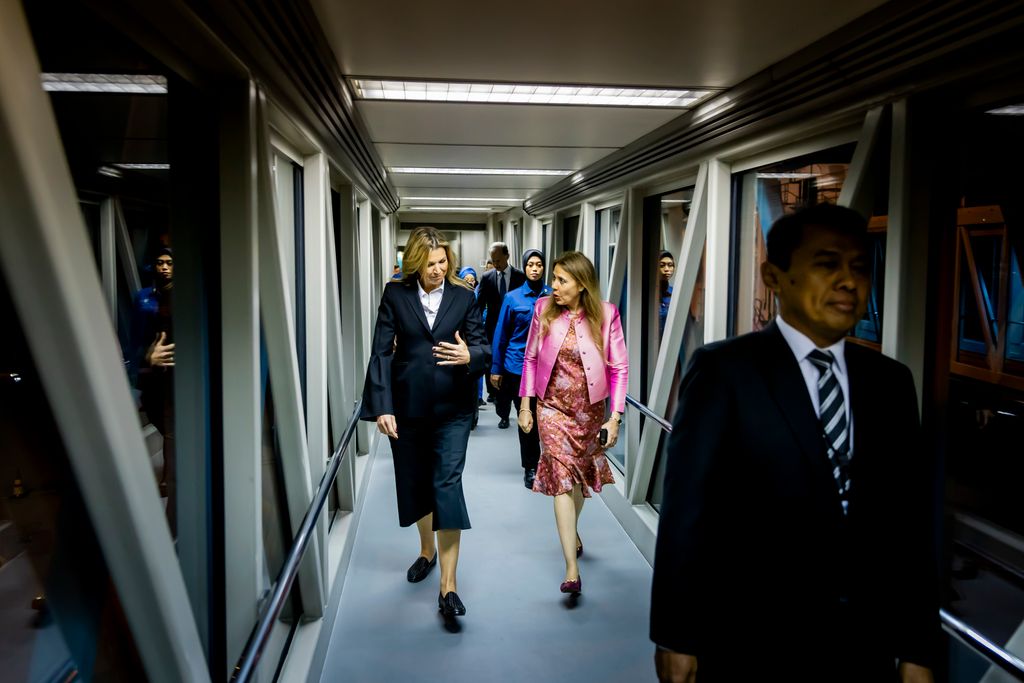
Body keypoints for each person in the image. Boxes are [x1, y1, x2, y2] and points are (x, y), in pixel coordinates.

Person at [650, 204, 938, 683]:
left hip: (864, 649)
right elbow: (687, 511)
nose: (848, 282)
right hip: (752, 642)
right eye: (827, 264)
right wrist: (676, 635)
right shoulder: (725, 372)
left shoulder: (890, 383)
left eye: (859, 267)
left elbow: (911, 523)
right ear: (774, 277)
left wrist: (918, 647)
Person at [360, 227, 490, 621]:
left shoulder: (464, 297)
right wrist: (382, 406)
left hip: (454, 408)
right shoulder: (395, 295)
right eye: (430, 263)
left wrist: (471, 356)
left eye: (442, 262)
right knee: (417, 483)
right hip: (408, 407)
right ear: (416, 263)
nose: (438, 269)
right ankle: (426, 550)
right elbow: (381, 353)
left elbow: (482, 346)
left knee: (446, 484)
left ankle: (448, 587)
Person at [519, 251, 628, 595]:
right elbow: (530, 358)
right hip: (551, 408)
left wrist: (615, 417)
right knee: (562, 481)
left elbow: (619, 368)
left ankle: (572, 530)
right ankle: (571, 568)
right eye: (553, 278)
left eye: (561, 280)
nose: (553, 285)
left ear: (581, 284)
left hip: (589, 411)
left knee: (579, 481)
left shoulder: (606, 314)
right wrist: (525, 405)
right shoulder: (543, 309)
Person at [490, 249, 552, 488]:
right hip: (518, 367)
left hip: (547, 368)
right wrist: (496, 368)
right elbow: (501, 335)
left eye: (539, 265)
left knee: (546, 419)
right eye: (530, 265)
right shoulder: (513, 298)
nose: (535, 269)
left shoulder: (553, 296)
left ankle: (549, 461)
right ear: (524, 268)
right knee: (527, 417)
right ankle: (531, 467)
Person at [131, 247, 176, 535]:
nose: (164, 267)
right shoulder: (144, 298)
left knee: (173, 433)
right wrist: (145, 358)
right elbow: (135, 337)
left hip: (178, 376)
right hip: (153, 376)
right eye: (159, 263)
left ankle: (170, 481)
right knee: (161, 422)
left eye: (169, 263)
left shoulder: (184, 298)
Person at [477, 242, 525, 424]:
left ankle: (518, 409)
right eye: (493, 260)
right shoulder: (487, 277)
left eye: (498, 260)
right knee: (496, 371)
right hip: (493, 332)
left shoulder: (520, 277)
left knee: (513, 373)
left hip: (516, 332)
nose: (495, 264)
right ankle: (503, 414)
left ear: (507, 256)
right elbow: (479, 305)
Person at [658, 251, 674, 338]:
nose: (667, 269)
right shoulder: (650, 294)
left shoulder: (674, 292)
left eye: (670, 265)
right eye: (662, 265)